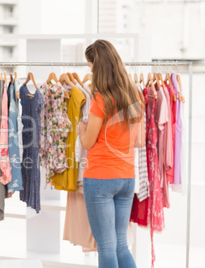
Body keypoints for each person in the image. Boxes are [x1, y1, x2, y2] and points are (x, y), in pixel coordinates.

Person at [78, 39, 145, 268]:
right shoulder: (135, 94)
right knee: (120, 245)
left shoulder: (100, 98)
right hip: (126, 177)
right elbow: (140, 140)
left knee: (106, 247)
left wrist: (81, 129)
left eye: (91, 67)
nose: (91, 72)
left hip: (100, 179)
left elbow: (88, 142)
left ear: (98, 67)